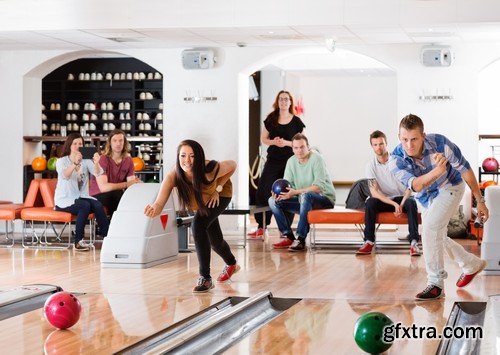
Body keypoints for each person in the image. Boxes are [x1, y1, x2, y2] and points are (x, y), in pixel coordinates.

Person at [389, 114, 488, 300]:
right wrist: (437, 170)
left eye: (414, 139)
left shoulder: (440, 143)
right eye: (404, 139)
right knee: (436, 237)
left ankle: (435, 284)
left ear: (423, 136)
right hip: (425, 196)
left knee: (429, 231)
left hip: (450, 186)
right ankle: (471, 264)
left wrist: (480, 201)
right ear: (399, 137)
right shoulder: (395, 160)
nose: (409, 145)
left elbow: (465, 169)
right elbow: (416, 185)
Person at [144, 140, 239, 293]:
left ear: (199, 157)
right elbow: (160, 202)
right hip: (202, 199)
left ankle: (205, 278)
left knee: (198, 225)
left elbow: (233, 165)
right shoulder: (174, 175)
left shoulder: (210, 169)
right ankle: (231, 263)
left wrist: (218, 188)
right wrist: (155, 207)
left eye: (192, 156)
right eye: (183, 156)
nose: (187, 161)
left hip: (220, 195)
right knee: (215, 241)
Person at [248, 90, 305, 238]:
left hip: (290, 162)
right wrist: (274, 142)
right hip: (273, 160)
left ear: (290, 102)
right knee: (263, 191)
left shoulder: (296, 121)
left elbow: (301, 142)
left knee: (287, 193)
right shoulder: (271, 119)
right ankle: (262, 226)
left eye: (286, 99)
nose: (284, 102)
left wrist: (285, 143)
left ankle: (284, 229)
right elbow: (264, 139)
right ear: (277, 101)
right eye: (281, 99)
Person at [357, 130, 421, 256]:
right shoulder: (370, 166)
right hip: (386, 200)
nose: (378, 147)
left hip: (404, 198)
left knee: (411, 203)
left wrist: (401, 204)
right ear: (372, 146)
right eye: (375, 145)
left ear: (386, 143)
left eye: (381, 144)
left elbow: (410, 185)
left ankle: (414, 242)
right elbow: (374, 192)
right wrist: (393, 204)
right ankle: (369, 241)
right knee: (370, 202)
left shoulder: (398, 160)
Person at [270, 133, 335, 252]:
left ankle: (300, 239)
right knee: (272, 201)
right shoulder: (291, 162)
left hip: (324, 199)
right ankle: (289, 236)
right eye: (296, 148)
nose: (299, 151)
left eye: (302, 147)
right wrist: (280, 194)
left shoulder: (317, 159)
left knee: (306, 195)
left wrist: (295, 192)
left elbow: (318, 187)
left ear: (308, 147)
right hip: (303, 200)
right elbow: (288, 186)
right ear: (292, 149)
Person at [54, 133, 109, 251]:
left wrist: (96, 163)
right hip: (64, 199)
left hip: (80, 196)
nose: (78, 146)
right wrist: (75, 163)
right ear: (69, 145)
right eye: (75, 144)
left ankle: (107, 237)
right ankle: (78, 241)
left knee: (98, 205)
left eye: (80, 144)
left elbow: (98, 173)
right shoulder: (61, 161)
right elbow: (65, 175)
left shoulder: (85, 161)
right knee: (85, 205)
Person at [90, 129, 141, 218]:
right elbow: (104, 188)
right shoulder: (103, 159)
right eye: (115, 141)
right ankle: (116, 227)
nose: (118, 144)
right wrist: (126, 184)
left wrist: (137, 184)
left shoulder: (128, 160)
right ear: (110, 143)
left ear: (124, 143)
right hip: (96, 195)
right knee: (117, 194)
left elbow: (131, 184)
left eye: (121, 141)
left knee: (130, 196)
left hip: (115, 194)